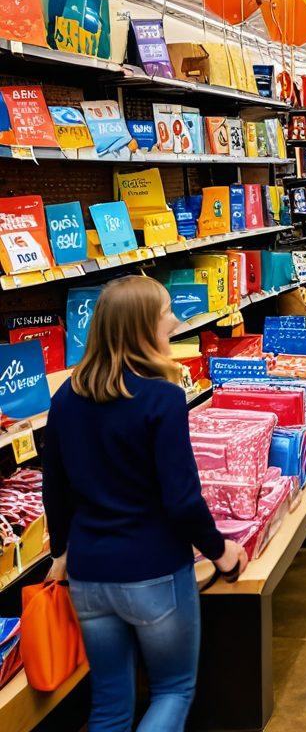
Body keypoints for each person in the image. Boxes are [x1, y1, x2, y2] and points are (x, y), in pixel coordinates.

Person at [42, 275, 247, 732]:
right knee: (173, 690)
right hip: (153, 570)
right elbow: (182, 500)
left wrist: (61, 553)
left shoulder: (66, 399)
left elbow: (54, 489)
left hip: (90, 575)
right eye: (166, 312)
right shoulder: (162, 398)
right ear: (142, 327)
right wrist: (220, 551)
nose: (174, 321)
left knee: (109, 706)